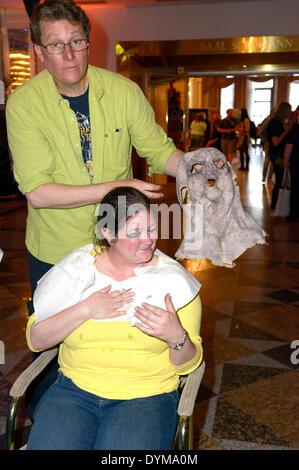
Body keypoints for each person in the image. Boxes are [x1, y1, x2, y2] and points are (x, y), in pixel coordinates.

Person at [5, 0, 184, 416]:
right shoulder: (24, 105)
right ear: (38, 51)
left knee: (119, 335)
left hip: (117, 247)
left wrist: (195, 167)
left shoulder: (122, 91)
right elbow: (39, 192)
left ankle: (124, 414)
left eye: (76, 42)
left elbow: (159, 151)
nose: (68, 54)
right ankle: (53, 422)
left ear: (89, 42)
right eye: (55, 45)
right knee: (52, 344)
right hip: (54, 250)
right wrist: (121, 184)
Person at [25, 186, 203, 450]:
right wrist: (85, 309)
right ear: (108, 234)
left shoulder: (174, 282)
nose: (148, 240)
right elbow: (35, 340)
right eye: (135, 233)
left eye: (152, 229)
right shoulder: (76, 270)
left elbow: (189, 365)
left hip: (146, 398)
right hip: (73, 392)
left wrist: (175, 336)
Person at [267, 102, 295, 212]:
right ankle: (275, 205)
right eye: (289, 110)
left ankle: (276, 205)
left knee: (279, 180)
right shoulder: (275, 123)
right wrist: (287, 131)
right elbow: (276, 142)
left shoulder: (278, 122)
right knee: (279, 181)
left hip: (278, 154)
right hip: (277, 156)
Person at [284, 108, 299, 222]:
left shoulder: (296, 130)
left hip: (296, 163)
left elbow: (289, 147)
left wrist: (285, 161)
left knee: (295, 188)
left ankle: (294, 214)